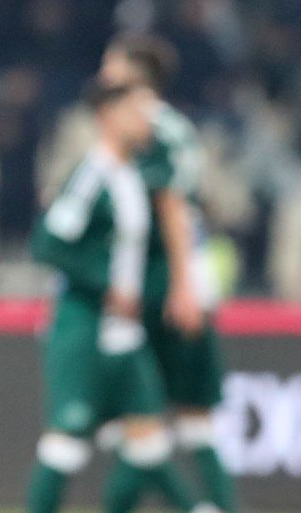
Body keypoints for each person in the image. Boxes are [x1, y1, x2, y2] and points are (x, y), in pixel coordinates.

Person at [26, 80, 201, 513]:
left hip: (124, 332)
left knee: (149, 440)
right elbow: (49, 244)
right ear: (108, 117)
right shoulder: (92, 175)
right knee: (66, 442)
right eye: (136, 112)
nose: (146, 122)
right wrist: (107, 288)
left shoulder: (133, 175)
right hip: (83, 325)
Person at [99, 35, 235, 513]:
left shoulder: (152, 129)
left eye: (111, 68)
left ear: (136, 76)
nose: (103, 77)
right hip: (167, 276)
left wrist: (182, 285)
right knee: (159, 417)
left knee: (148, 413)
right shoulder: (166, 127)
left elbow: (172, 208)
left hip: (165, 279)